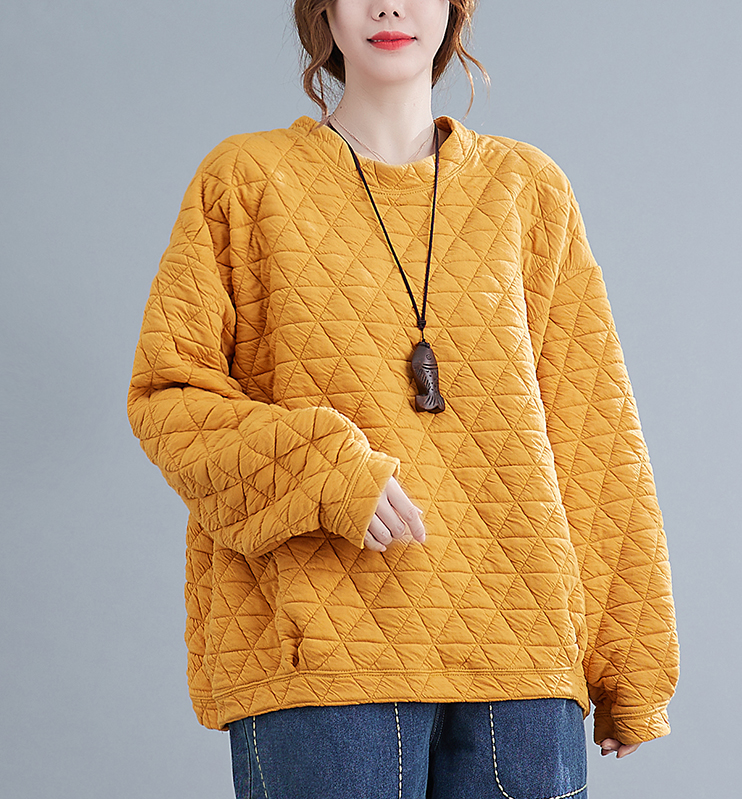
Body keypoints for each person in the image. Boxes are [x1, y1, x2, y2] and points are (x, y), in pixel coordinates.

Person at [128, 1, 679, 796]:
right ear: (323, 9)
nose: (389, 4)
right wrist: (325, 470)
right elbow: (169, 395)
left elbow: (595, 430)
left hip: (522, 662)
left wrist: (632, 660)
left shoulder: (529, 190)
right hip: (325, 659)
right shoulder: (245, 180)